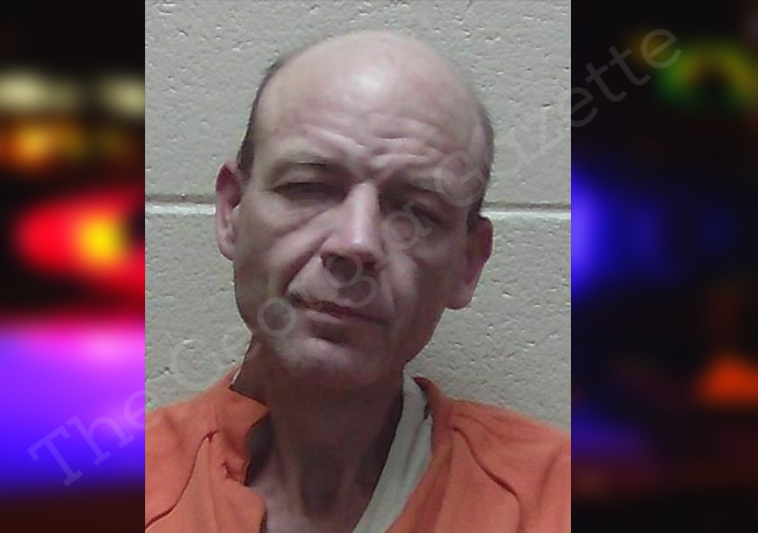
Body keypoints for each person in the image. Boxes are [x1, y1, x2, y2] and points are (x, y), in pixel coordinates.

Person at [145, 30, 570, 533]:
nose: (356, 243)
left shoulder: (554, 497)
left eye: (418, 211)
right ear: (232, 210)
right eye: (307, 187)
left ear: (468, 264)